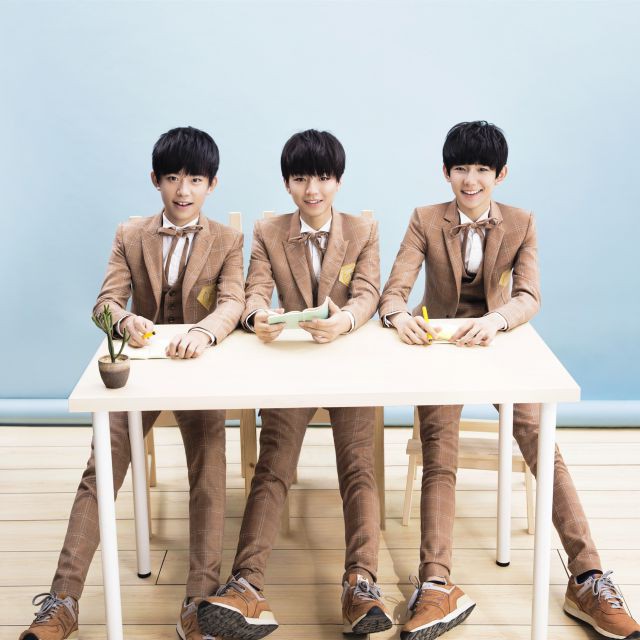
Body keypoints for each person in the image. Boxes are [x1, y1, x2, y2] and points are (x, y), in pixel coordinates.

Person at [379, 120, 640, 640]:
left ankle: (588, 578)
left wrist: (496, 321)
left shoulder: (521, 222)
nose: (470, 180)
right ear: (446, 172)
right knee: (440, 449)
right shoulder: (424, 219)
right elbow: (393, 291)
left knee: (542, 438)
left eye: (482, 169)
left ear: (500, 174)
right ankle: (436, 583)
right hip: (439, 348)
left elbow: (529, 296)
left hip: (501, 346)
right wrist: (398, 317)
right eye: (460, 168)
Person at [19, 126, 244, 640]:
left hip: (198, 371)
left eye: (195, 179)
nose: (183, 190)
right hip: (137, 373)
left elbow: (233, 301)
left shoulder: (229, 240)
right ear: (155, 180)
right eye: (172, 178)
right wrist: (124, 322)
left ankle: (199, 601)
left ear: (212, 185)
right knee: (101, 466)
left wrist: (203, 333)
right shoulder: (130, 234)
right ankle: (62, 601)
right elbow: (103, 304)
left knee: (210, 469)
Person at [197, 129, 392, 640]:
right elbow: (255, 290)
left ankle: (362, 584)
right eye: (301, 178)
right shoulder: (267, 230)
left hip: (349, 364)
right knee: (273, 464)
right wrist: (257, 317)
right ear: (287, 183)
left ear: (338, 181)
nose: (312, 189)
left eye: (323, 178)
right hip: (288, 365)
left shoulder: (363, 229)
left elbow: (368, 292)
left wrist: (344, 321)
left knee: (358, 464)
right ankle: (245, 585)